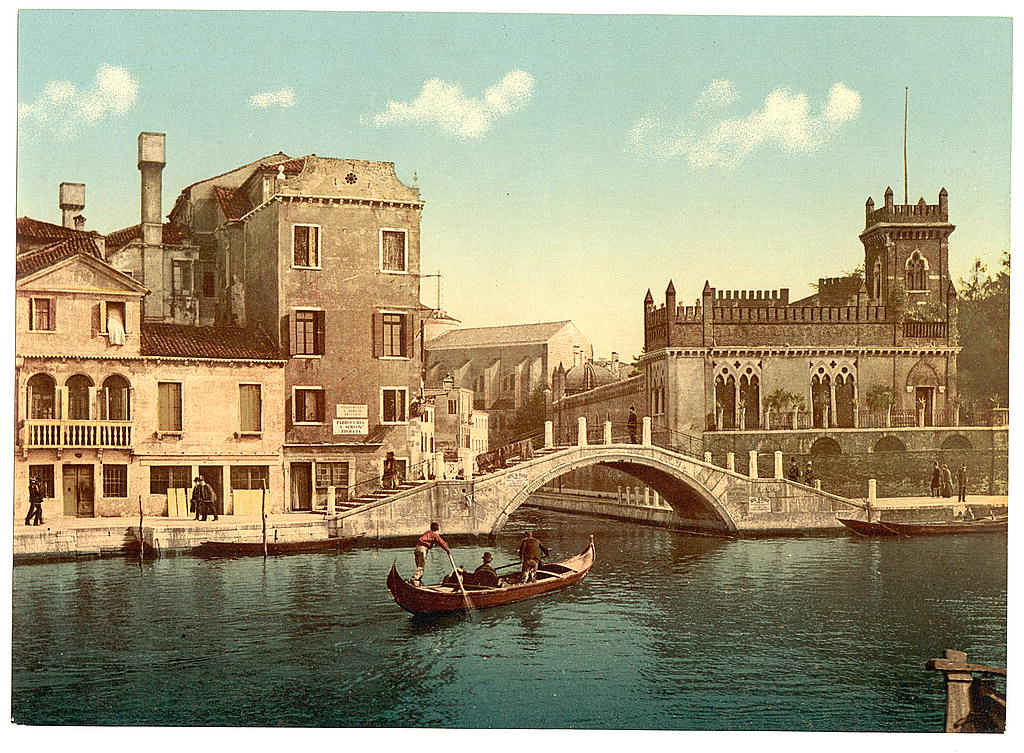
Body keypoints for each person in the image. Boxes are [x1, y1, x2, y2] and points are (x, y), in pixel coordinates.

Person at [412, 522, 450, 586]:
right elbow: (441, 542)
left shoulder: (427, 533)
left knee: (419, 566)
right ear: (437, 529)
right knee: (421, 566)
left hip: (417, 548)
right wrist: (447, 549)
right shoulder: (434, 535)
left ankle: (417, 581)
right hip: (422, 549)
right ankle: (415, 579)